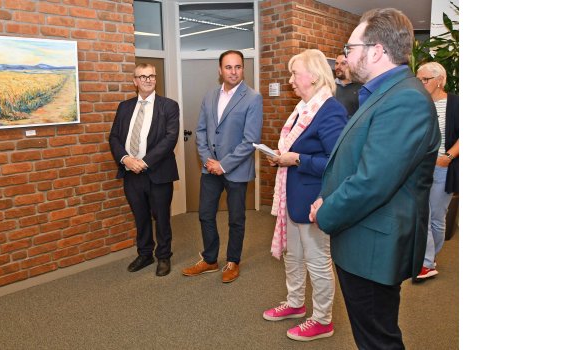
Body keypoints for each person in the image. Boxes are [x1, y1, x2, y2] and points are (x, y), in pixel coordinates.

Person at [308, 8, 440, 349]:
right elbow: (361, 162)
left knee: (377, 341)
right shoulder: (383, 93)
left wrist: (325, 212)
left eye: (351, 48)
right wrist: (330, 195)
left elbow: (372, 182)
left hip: (373, 246)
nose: (346, 56)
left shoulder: (405, 99)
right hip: (363, 237)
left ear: (377, 50)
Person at [262, 49, 348, 342]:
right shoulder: (303, 107)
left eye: (294, 73)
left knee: (317, 261)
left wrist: (296, 159)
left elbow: (338, 163)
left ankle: (323, 320)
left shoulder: (330, 110)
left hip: (314, 201)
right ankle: (295, 304)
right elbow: (299, 149)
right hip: (293, 197)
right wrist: (282, 157)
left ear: (312, 76)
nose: (290, 80)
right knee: (294, 257)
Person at [181, 50, 263, 283]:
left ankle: (233, 261)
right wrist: (209, 160)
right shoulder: (209, 96)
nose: (233, 71)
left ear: (243, 69)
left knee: (236, 218)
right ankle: (209, 259)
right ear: (220, 70)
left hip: (235, 170)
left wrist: (224, 165)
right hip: (210, 168)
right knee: (205, 215)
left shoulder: (252, 98)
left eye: (238, 67)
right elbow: (201, 131)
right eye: (228, 67)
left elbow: (250, 140)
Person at [109, 63, 180, 277]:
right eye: (142, 76)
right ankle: (145, 253)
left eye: (151, 76)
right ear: (135, 81)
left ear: (155, 79)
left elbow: (170, 139)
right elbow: (114, 137)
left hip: (157, 172)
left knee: (162, 218)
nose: (147, 80)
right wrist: (125, 159)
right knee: (140, 216)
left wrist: (144, 162)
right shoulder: (124, 107)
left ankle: (164, 256)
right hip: (131, 174)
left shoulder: (169, 106)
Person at [414, 62, 459, 281]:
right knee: (422, 213)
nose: (421, 83)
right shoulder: (418, 104)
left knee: (437, 217)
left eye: (425, 79)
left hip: (442, 167)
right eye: (419, 79)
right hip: (420, 167)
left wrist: (447, 157)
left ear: (439, 80)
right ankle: (427, 262)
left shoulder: (456, 103)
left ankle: (430, 258)